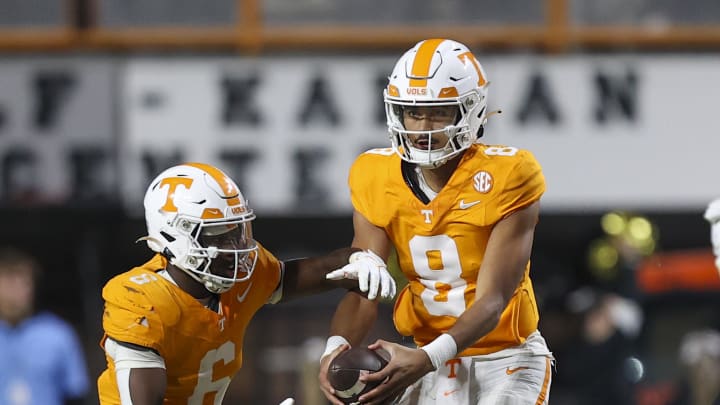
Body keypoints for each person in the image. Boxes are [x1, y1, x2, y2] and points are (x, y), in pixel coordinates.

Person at [319, 38, 554, 404]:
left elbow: (492, 300)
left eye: (439, 113)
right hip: (426, 354)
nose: (423, 126)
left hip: (506, 355)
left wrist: (426, 359)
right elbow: (365, 284)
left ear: (470, 111)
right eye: (414, 113)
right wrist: (334, 349)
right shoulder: (374, 174)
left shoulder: (509, 173)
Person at [96, 162, 396, 404]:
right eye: (219, 236)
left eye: (237, 232)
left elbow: (298, 275)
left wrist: (354, 260)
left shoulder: (235, 278)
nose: (235, 248)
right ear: (176, 236)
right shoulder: (139, 299)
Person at [0, 248, 90, 405]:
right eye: (9, 282)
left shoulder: (58, 333)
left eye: (24, 283)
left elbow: (76, 394)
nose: (15, 291)